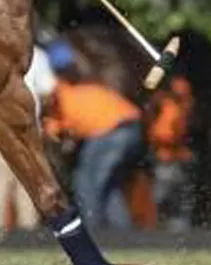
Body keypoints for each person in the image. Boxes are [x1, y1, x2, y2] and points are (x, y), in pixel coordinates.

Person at [0, 39, 67, 234]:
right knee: (28, 187)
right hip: (29, 128)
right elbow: (48, 93)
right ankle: (29, 234)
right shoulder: (38, 55)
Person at [45, 69, 145, 229]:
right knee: (108, 184)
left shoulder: (61, 100)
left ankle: (94, 229)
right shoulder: (81, 91)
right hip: (132, 129)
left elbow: (62, 136)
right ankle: (122, 232)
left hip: (109, 132)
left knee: (86, 181)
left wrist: (56, 135)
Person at [145, 70, 195, 231]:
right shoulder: (165, 104)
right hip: (166, 157)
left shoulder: (178, 107)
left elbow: (171, 134)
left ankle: (174, 225)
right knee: (166, 195)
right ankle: (159, 223)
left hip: (173, 157)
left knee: (174, 194)